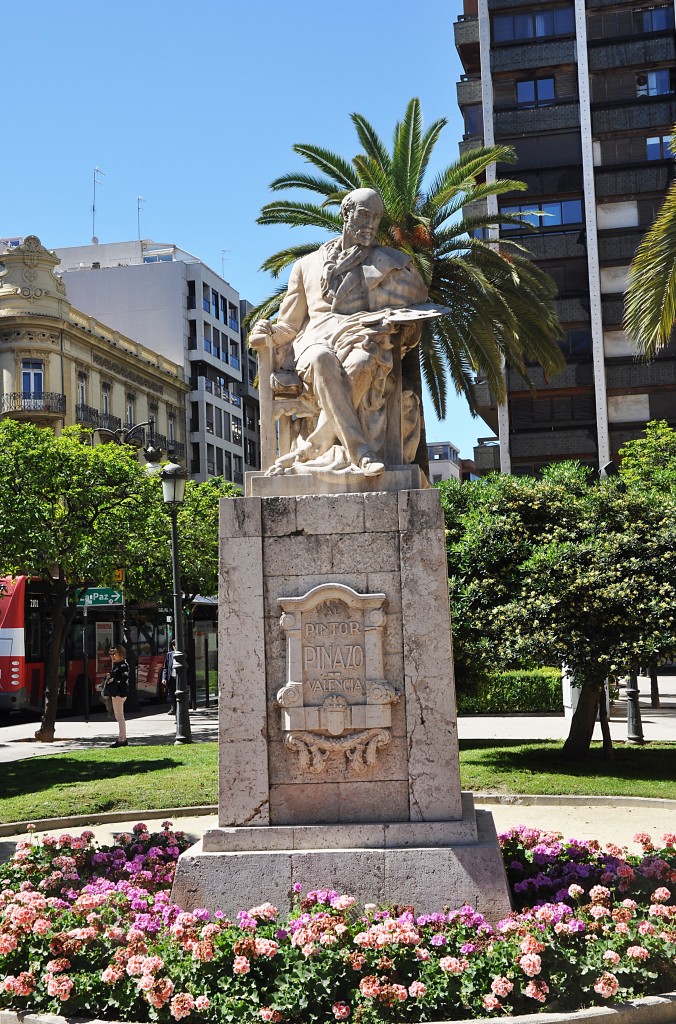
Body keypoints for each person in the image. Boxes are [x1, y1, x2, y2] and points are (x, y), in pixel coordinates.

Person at [249, 187, 429, 476]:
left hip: (361, 338)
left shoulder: (388, 264)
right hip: (316, 341)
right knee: (322, 359)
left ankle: (318, 443)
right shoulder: (306, 266)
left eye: (377, 217)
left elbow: (416, 305)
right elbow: (289, 325)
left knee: (364, 361)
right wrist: (267, 331)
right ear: (346, 214)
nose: (371, 224)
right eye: (364, 215)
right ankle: (360, 452)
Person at [105, 645, 130, 748]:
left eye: (114, 654)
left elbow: (124, 677)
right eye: (111, 654)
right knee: (118, 715)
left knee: (119, 716)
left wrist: (114, 679)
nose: (112, 656)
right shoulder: (117, 664)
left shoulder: (122, 665)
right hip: (116, 693)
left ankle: (122, 739)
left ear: (121, 654)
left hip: (119, 693)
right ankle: (122, 738)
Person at [162, 640, 177, 716]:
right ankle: (173, 708)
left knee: (178, 696)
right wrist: (164, 678)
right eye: (174, 646)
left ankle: (176, 710)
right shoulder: (169, 655)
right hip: (171, 678)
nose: (176, 647)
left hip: (178, 679)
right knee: (171, 695)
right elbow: (165, 668)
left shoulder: (183, 654)